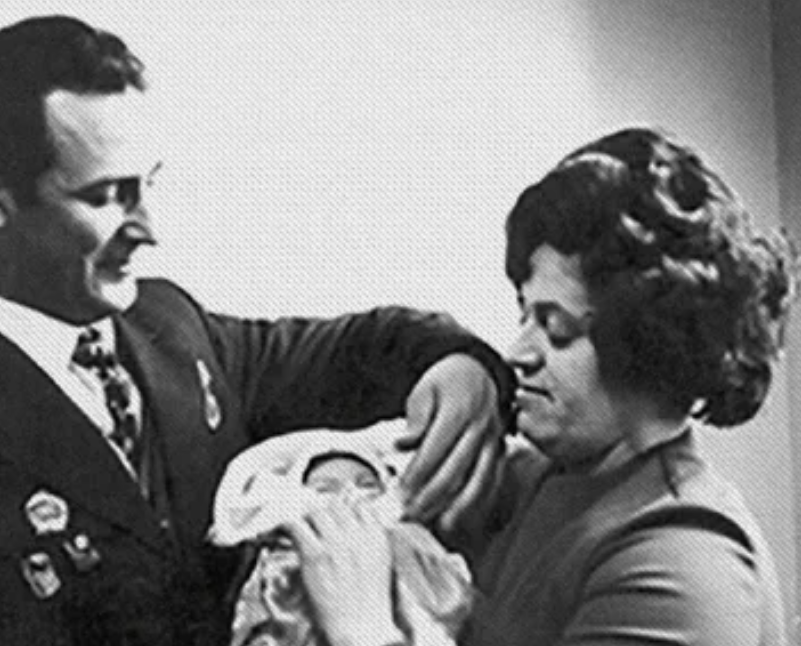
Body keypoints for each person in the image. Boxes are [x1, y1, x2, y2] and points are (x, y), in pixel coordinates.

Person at [0, 15, 514, 646]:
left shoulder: (168, 325)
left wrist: (461, 367)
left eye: (148, 184)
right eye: (106, 196)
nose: (149, 230)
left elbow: (356, 351)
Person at [285, 127, 797, 646]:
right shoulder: (535, 479)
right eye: (525, 315)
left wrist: (362, 625)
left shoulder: (684, 564)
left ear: (646, 346)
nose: (518, 354)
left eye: (557, 329)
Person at [210, 421, 473, 646]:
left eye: (367, 484)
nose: (350, 494)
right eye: (325, 488)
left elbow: (449, 605)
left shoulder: (415, 545)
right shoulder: (279, 567)